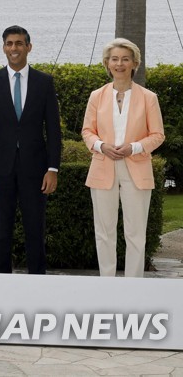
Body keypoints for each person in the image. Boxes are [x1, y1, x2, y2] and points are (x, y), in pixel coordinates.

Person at [0, 25, 62, 274]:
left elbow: (53, 130)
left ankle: (37, 282)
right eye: (9, 44)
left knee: (35, 230)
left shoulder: (44, 82)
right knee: (1, 231)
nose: (14, 48)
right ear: (4, 48)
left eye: (19, 43)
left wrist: (52, 168)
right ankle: (1, 281)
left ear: (28, 47)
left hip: (36, 169)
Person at [81, 38, 164, 278]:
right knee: (103, 231)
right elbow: (87, 131)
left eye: (125, 59)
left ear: (134, 63)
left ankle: (133, 284)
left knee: (135, 232)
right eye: (115, 59)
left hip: (136, 170)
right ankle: (107, 284)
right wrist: (101, 145)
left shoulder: (149, 97)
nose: (119, 64)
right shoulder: (96, 96)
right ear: (107, 64)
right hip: (102, 168)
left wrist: (135, 147)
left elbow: (158, 135)